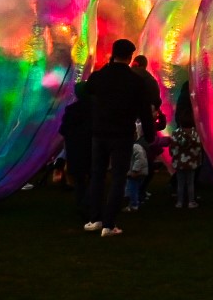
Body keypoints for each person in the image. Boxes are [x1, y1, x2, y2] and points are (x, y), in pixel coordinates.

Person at [81, 38, 159, 238]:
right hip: (122, 134)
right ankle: (109, 224)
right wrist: (150, 135)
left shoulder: (100, 77)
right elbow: (144, 111)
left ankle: (94, 219)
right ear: (131, 57)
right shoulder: (136, 82)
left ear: (113, 53)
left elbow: (86, 90)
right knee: (118, 177)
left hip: (99, 132)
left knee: (97, 175)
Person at [58, 81, 94, 224]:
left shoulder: (71, 110)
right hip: (92, 147)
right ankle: (89, 203)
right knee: (94, 176)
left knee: (79, 179)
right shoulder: (97, 108)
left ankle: (81, 204)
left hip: (75, 148)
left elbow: (63, 130)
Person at [168, 81, 204, 209]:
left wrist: (173, 156)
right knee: (190, 182)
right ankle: (191, 200)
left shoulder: (177, 134)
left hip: (179, 162)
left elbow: (173, 148)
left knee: (181, 181)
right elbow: (198, 148)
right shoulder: (195, 134)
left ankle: (179, 200)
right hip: (192, 163)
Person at [125, 133, 149, 210]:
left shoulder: (135, 147)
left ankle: (134, 204)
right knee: (135, 188)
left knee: (132, 188)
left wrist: (135, 170)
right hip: (138, 171)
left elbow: (140, 159)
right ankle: (137, 201)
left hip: (137, 172)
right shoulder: (135, 147)